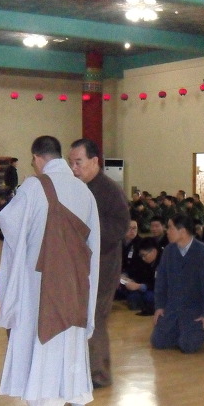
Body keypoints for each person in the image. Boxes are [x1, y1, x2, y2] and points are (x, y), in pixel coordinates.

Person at [0, 136, 100, 406]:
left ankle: (45, 402)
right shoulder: (83, 190)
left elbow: (8, 222)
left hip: (42, 277)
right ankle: (77, 395)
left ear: (38, 158)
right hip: (77, 277)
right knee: (72, 334)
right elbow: (94, 242)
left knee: (45, 333)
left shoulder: (33, 186)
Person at [68, 138, 131, 389]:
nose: (74, 168)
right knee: (83, 317)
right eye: (71, 162)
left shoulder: (108, 189)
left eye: (79, 162)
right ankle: (84, 368)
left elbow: (120, 227)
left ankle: (99, 374)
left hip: (103, 266)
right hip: (84, 266)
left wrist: (86, 228)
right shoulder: (80, 187)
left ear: (94, 161)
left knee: (95, 318)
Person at [151, 214, 204, 353]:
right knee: (158, 342)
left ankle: (186, 331)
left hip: (194, 309)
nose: (167, 231)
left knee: (188, 346)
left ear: (182, 231)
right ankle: (178, 330)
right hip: (172, 307)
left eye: (170, 227)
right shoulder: (169, 251)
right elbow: (161, 281)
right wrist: (159, 306)